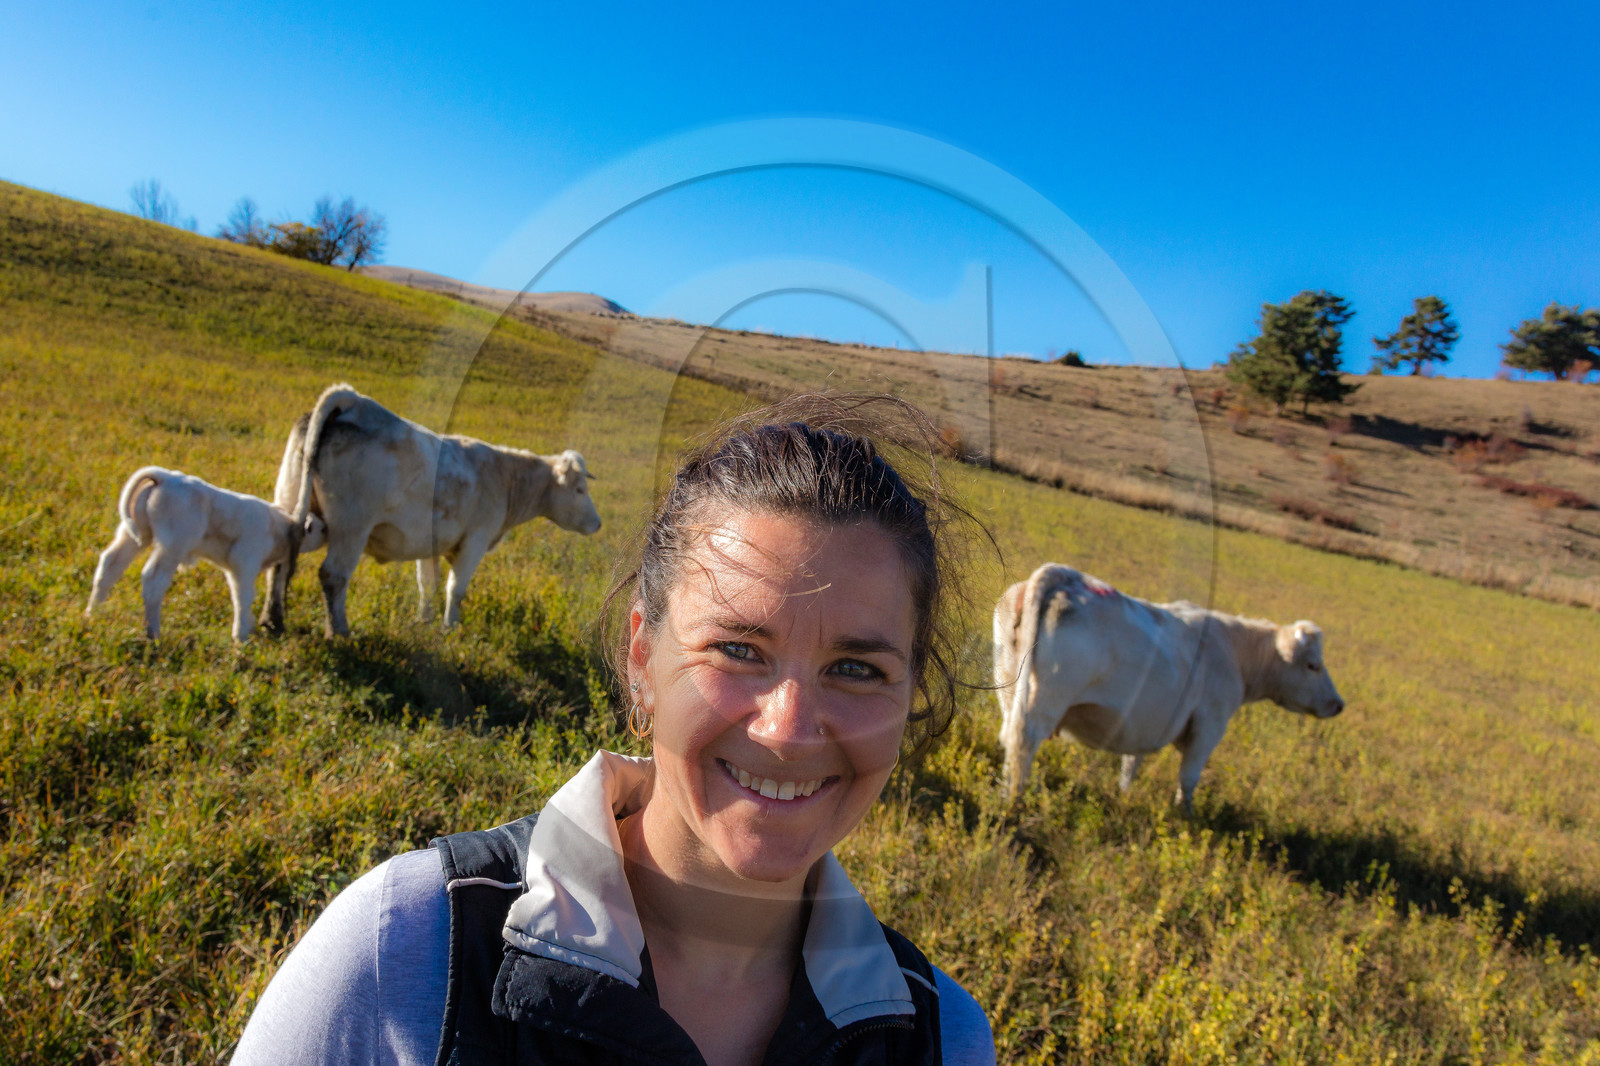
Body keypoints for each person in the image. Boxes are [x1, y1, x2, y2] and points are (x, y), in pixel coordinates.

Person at [232, 395, 997, 1065]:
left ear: (912, 694)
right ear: (642, 662)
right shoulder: (404, 951)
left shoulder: (946, 1039)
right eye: (737, 649)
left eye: (858, 669)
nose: (790, 730)